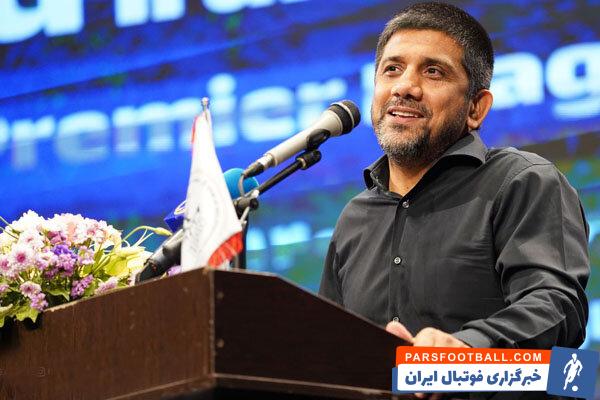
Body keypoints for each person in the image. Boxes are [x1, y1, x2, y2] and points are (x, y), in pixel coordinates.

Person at [319, 2, 589, 353]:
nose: (405, 87)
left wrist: (465, 348)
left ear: (476, 107)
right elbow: (326, 346)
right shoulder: (354, 218)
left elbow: (557, 308)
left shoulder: (521, 182)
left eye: (433, 72)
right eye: (392, 69)